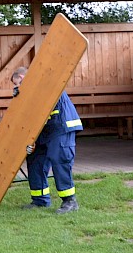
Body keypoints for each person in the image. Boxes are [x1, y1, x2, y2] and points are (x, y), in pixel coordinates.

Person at [12, 65, 83, 214]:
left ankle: (70, 201)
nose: (16, 88)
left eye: (17, 83)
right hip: (44, 130)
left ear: (24, 78)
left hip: (61, 126)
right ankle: (40, 200)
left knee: (60, 160)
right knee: (34, 159)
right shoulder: (29, 93)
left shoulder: (46, 81)